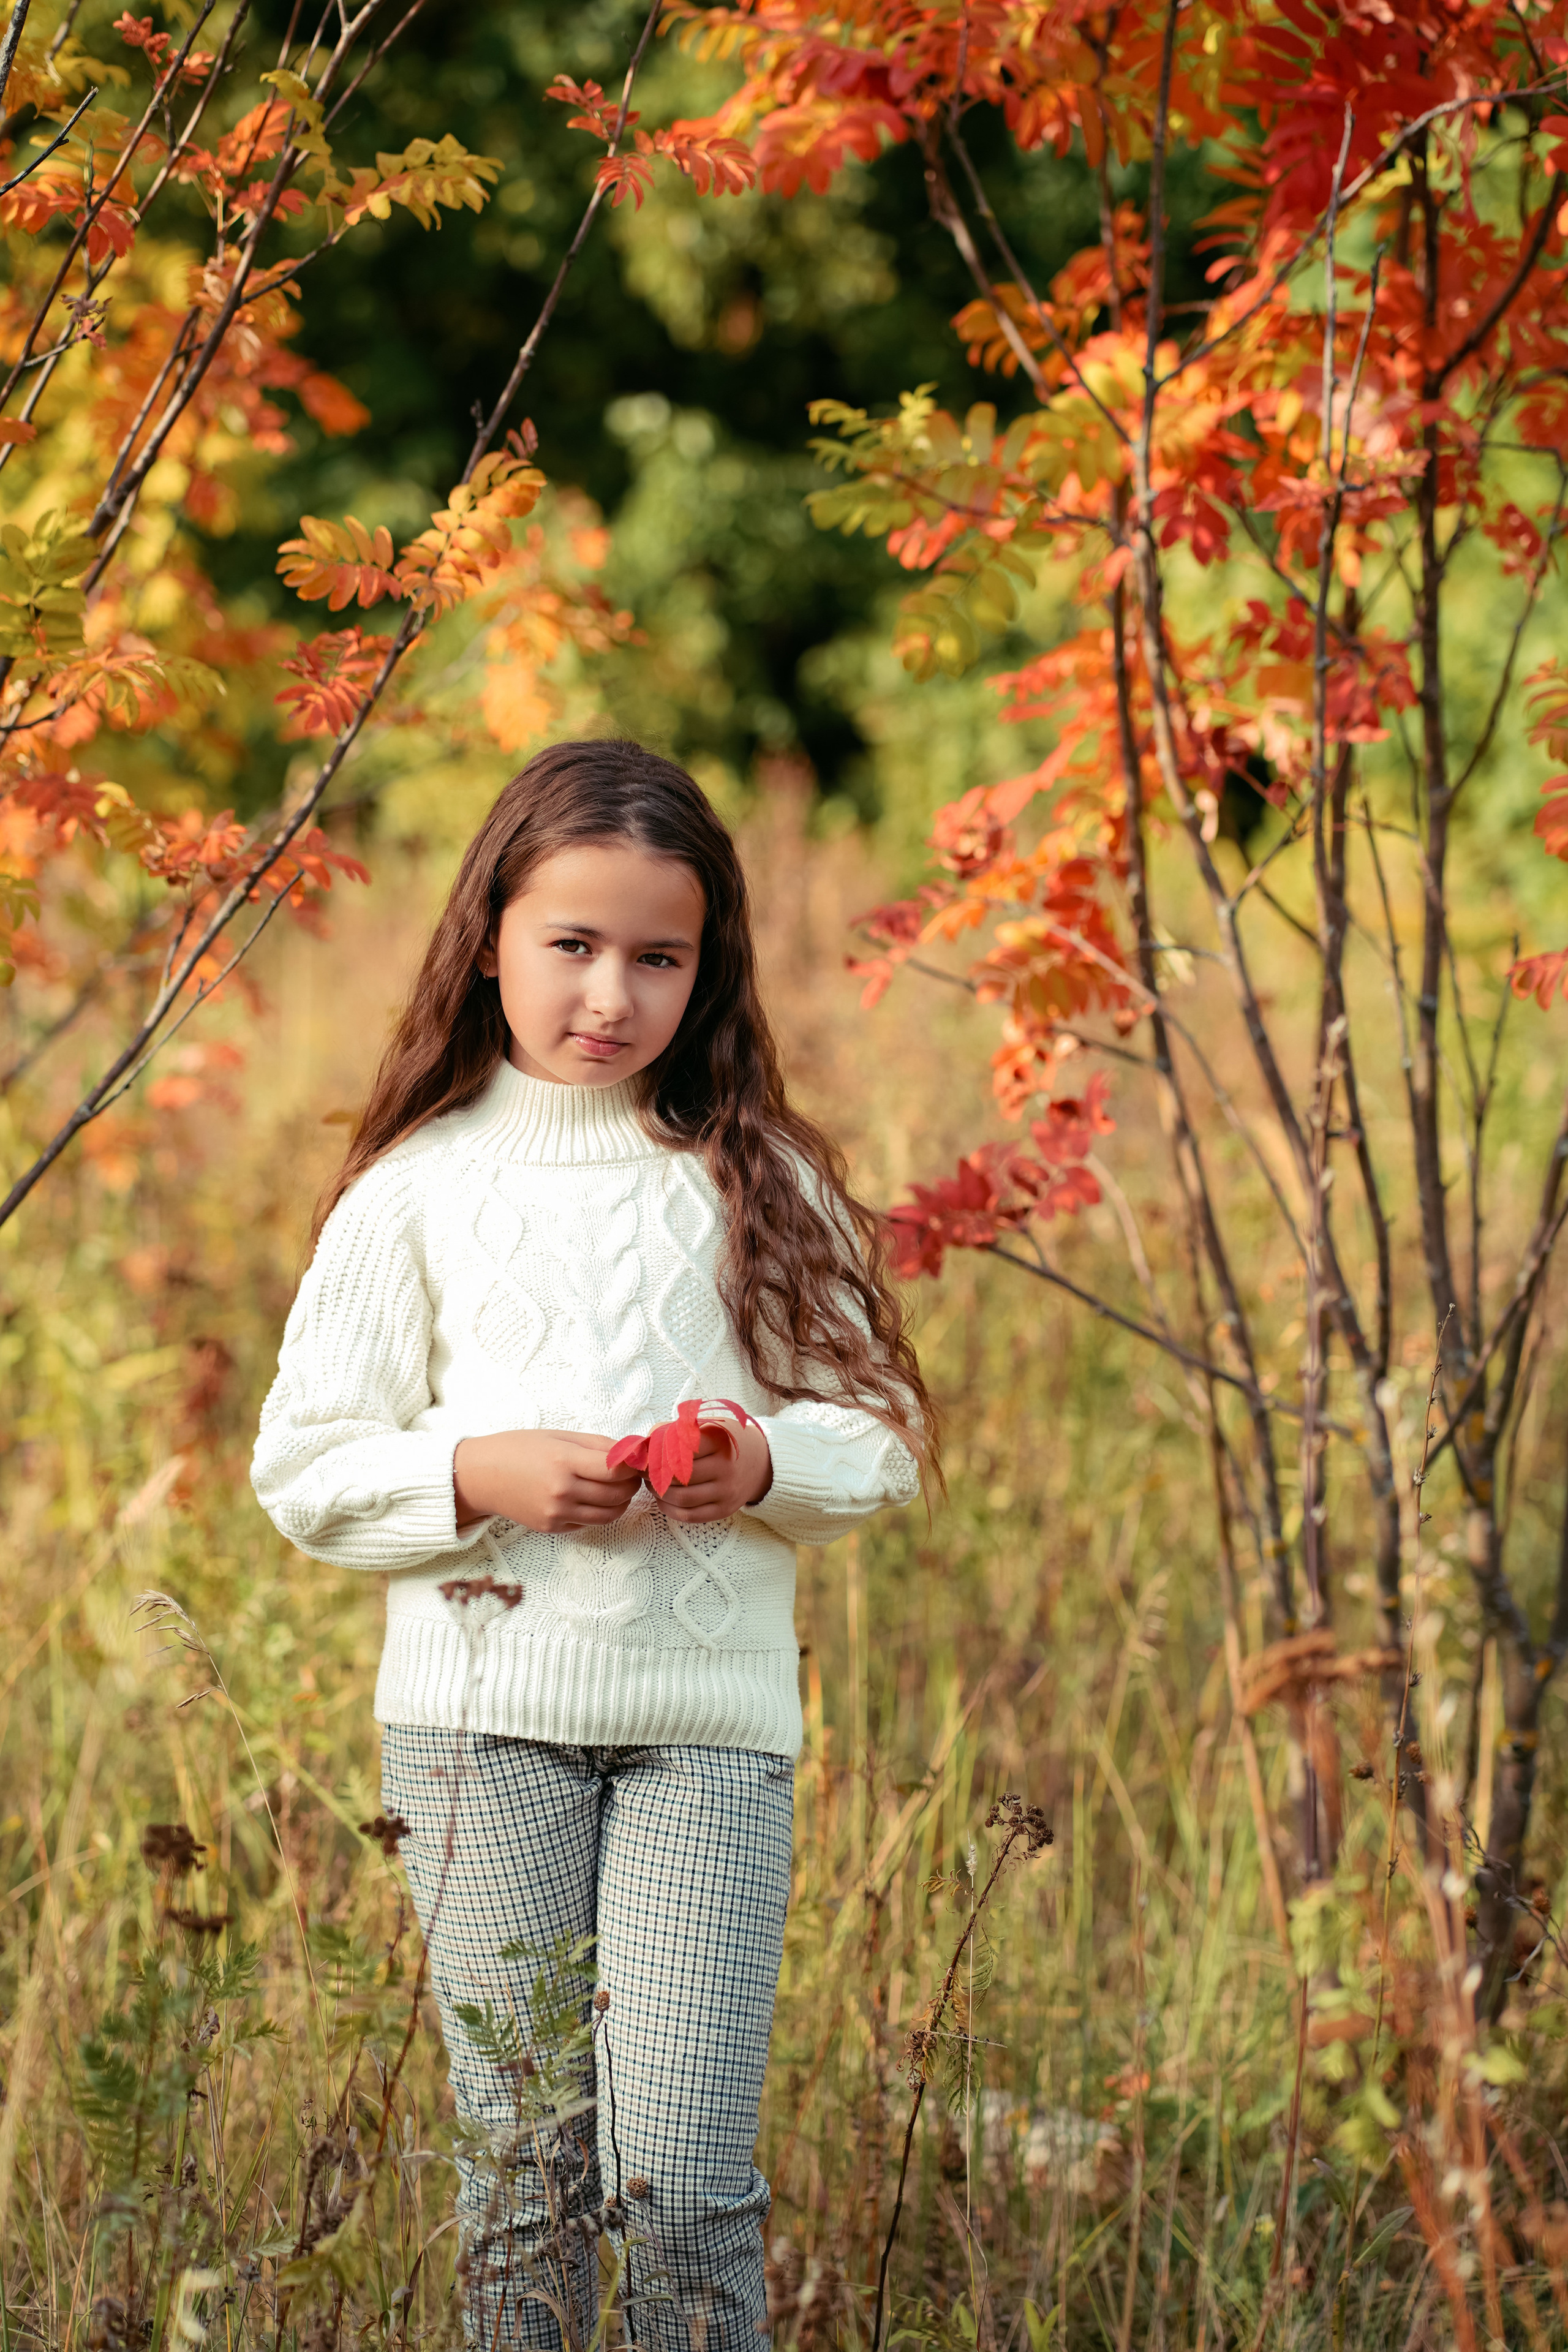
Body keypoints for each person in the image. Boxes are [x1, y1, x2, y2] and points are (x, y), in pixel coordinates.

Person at [251, 738, 935, 2350]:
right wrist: (474, 1470)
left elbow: (883, 1442)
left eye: (657, 955)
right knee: (524, 2190)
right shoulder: (413, 1189)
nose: (610, 994)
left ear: (709, 967)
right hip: (481, 1743)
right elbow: (305, 1470)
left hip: (705, 1738)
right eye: (572, 945)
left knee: (684, 2186)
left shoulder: (760, 1178)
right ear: (492, 935)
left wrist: (761, 1458)